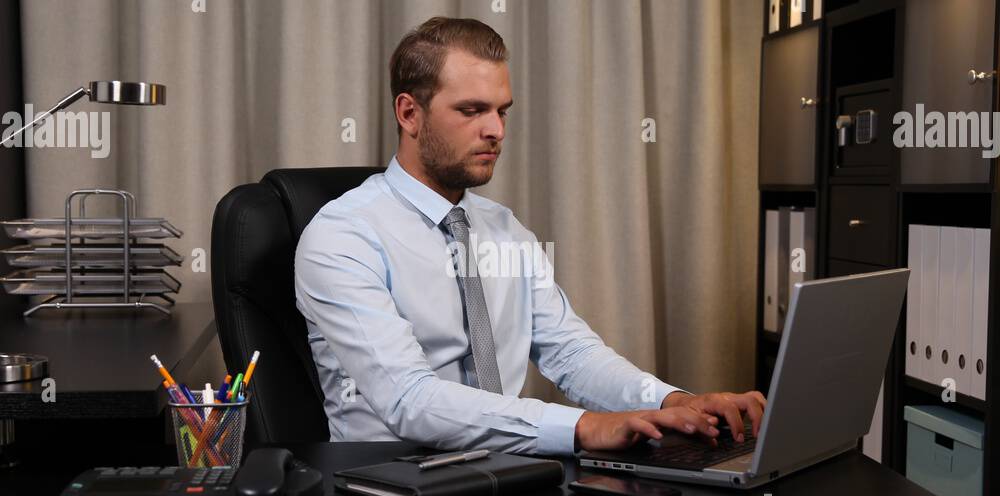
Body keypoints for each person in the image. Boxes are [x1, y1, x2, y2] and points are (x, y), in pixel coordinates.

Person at [295, 16, 765, 456]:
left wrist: (672, 401)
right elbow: (408, 399)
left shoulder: (505, 229)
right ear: (409, 113)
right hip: (385, 484)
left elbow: (571, 353)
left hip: (503, 472)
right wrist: (583, 427)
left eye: (502, 111)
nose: (496, 130)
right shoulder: (343, 236)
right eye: (472, 110)